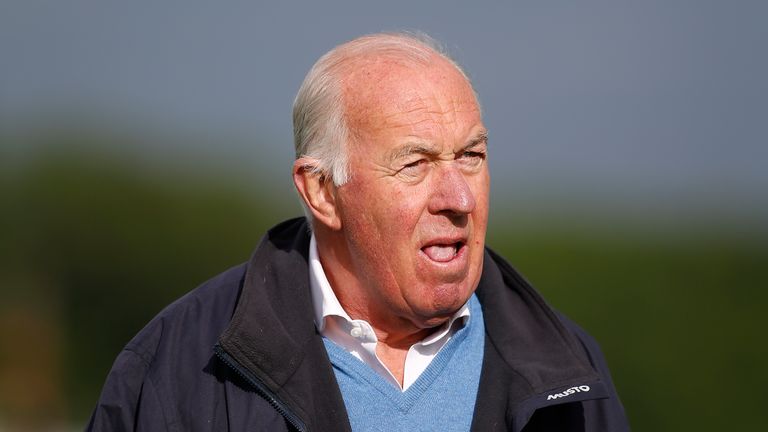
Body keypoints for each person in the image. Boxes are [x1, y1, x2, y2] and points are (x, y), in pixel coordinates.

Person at [88, 32, 629, 431]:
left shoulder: (570, 371)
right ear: (322, 191)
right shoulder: (176, 365)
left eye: (471, 156)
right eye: (414, 164)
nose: (459, 199)